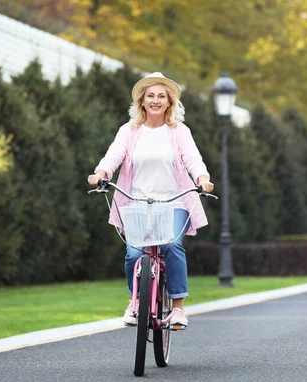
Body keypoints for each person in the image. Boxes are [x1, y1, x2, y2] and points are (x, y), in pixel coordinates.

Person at [87, 72, 214, 329]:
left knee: (171, 246)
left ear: (169, 103)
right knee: (133, 253)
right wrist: (100, 174)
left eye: (161, 96)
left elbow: (193, 159)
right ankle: (135, 303)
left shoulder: (179, 131)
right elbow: (114, 155)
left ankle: (177, 308)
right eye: (150, 96)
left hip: (174, 202)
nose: (155, 101)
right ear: (142, 102)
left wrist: (202, 178)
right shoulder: (130, 130)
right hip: (136, 203)